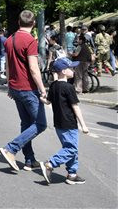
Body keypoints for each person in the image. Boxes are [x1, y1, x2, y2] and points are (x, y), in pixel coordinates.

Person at [0, 10, 47, 172]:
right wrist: (42, 89)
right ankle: (11, 148)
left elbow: (8, 65)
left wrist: (9, 84)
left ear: (19, 23)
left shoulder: (10, 39)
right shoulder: (30, 40)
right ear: (33, 24)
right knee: (40, 124)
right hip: (28, 88)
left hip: (15, 87)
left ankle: (29, 159)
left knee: (26, 124)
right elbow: (34, 69)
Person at [40, 57, 89, 185]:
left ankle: (72, 174)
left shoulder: (53, 86)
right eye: (70, 68)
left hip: (59, 124)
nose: (73, 70)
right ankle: (50, 164)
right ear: (63, 71)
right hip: (69, 123)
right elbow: (75, 107)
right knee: (71, 149)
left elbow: (48, 102)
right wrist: (83, 125)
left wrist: (42, 99)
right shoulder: (68, 87)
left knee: (69, 148)